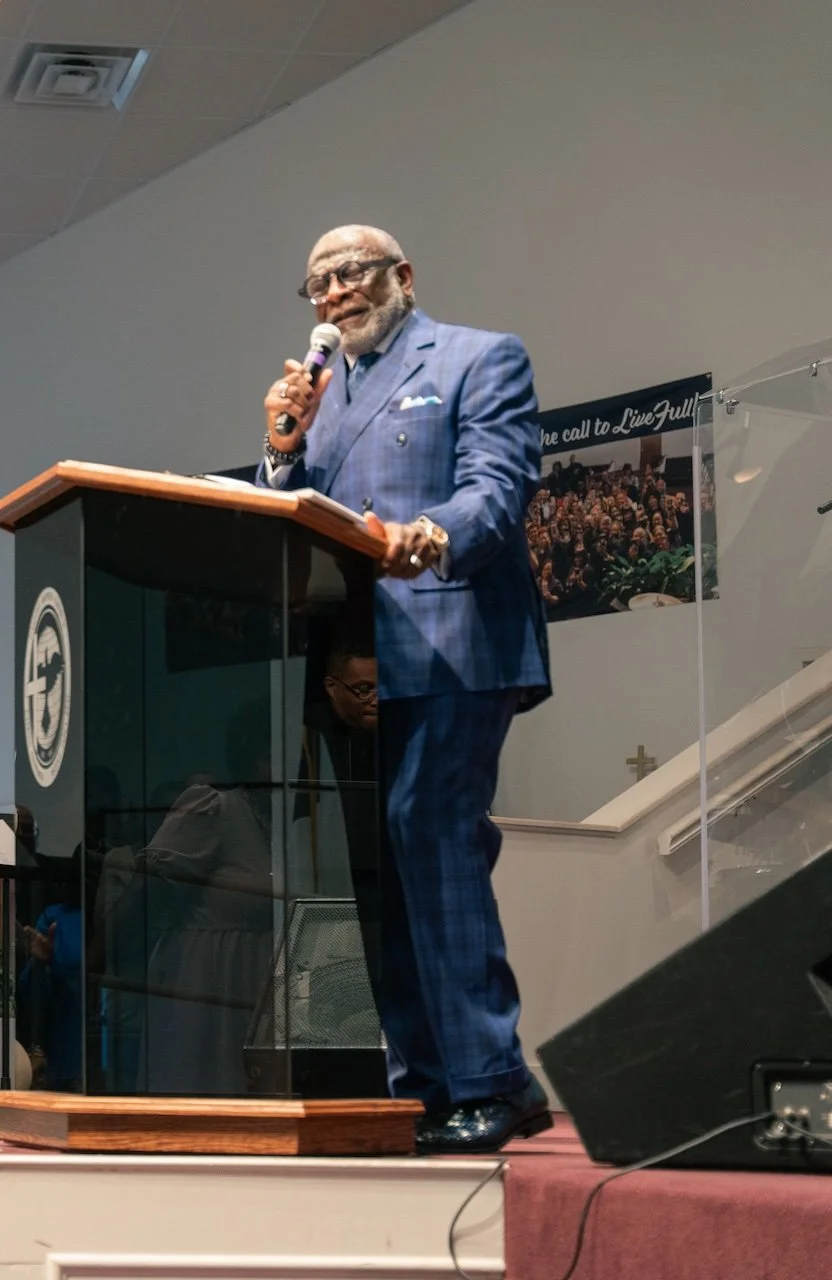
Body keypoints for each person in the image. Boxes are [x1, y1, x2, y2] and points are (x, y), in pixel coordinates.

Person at [258, 224, 551, 1153]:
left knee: (431, 832)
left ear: (403, 276)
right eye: (318, 282)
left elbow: (497, 489)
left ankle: (493, 1079)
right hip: (353, 664)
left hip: (455, 640)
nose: (336, 291)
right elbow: (298, 508)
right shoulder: (321, 395)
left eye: (352, 272)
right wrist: (278, 456)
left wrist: (431, 530)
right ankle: (420, 1083)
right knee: (376, 876)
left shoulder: (477, 357)